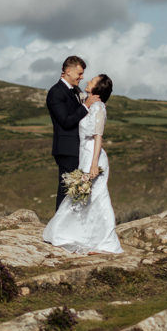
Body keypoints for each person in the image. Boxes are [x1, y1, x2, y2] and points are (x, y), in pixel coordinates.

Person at [42, 74, 122, 255]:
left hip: (94, 156)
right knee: (83, 198)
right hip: (84, 155)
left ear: (98, 88)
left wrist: (94, 164)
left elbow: (98, 137)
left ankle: (107, 242)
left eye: (92, 80)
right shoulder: (87, 102)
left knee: (98, 197)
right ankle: (83, 236)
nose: (87, 80)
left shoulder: (99, 107)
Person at [46, 56, 98, 209]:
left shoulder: (76, 90)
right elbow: (66, 121)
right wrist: (86, 105)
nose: (81, 77)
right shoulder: (56, 92)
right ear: (68, 71)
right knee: (66, 191)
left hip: (78, 147)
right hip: (66, 148)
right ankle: (58, 227)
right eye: (79, 74)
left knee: (76, 191)